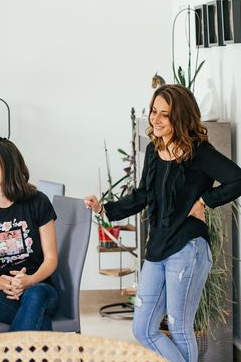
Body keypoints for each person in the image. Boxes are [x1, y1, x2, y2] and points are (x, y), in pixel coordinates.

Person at [84, 84, 241, 362]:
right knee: (143, 328)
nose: (155, 119)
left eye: (164, 114)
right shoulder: (154, 151)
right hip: (158, 246)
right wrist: (105, 208)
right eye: (154, 111)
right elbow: (143, 194)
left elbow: (236, 178)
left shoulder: (200, 152)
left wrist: (204, 200)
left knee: (180, 328)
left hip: (188, 247)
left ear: (179, 117)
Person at [0, 136, 59, 331]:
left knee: (35, 297)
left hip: (40, 287)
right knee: (35, 315)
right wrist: (7, 284)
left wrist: (29, 281)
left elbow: (51, 259)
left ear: (9, 163)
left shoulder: (38, 202)